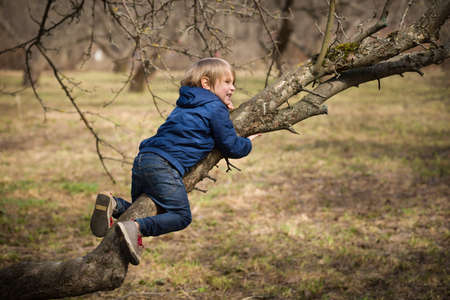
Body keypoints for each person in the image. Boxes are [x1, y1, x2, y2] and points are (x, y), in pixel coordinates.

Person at [90, 57, 259, 265]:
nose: (232, 88)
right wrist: (248, 142)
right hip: (165, 166)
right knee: (180, 216)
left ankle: (114, 205)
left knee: (146, 209)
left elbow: (201, 122)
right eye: (227, 82)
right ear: (206, 83)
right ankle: (136, 229)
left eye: (233, 83)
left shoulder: (186, 105)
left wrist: (224, 110)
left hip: (144, 159)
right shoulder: (216, 109)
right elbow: (230, 146)